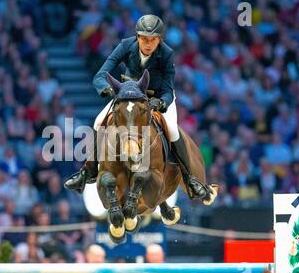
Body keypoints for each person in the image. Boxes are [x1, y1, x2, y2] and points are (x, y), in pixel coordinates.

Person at [64, 14, 205, 199]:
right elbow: (100, 75)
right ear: (137, 37)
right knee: (99, 122)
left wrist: (162, 102)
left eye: (152, 40)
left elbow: (168, 90)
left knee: (172, 129)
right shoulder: (125, 46)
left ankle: (189, 179)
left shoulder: (166, 53)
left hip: (158, 98)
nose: (147, 44)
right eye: (143, 39)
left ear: (159, 39)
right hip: (127, 97)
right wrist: (107, 90)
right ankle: (87, 171)